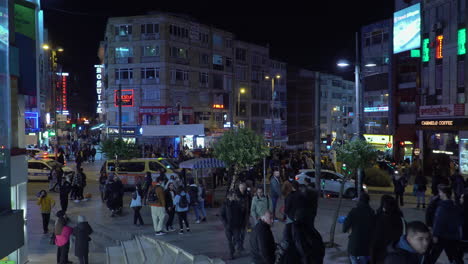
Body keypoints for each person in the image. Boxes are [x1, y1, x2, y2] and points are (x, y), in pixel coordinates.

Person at [429, 185, 464, 264]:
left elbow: (438, 222)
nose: (439, 194)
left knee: (433, 256)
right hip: (452, 236)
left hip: (442, 235)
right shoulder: (454, 205)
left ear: (444, 194)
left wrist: (435, 235)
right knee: (455, 255)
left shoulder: (443, 207)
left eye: (440, 192)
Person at [343, 192, 375, 264]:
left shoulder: (354, 211)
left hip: (354, 247)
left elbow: (345, 228)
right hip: (366, 248)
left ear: (359, 200)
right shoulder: (372, 212)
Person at [370, 197, 404, 264]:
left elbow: (375, 239)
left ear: (385, 208)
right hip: (395, 253)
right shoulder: (400, 219)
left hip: (381, 253)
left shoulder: (380, 218)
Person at [221, 192, 244, 260]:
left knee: (237, 239)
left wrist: (241, 223)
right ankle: (231, 254)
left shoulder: (237, 203)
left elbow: (241, 213)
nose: (234, 197)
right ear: (229, 197)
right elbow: (222, 215)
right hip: (228, 226)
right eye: (233, 196)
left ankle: (233, 250)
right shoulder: (225, 204)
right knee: (229, 241)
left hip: (236, 226)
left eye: (235, 196)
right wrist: (225, 224)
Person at [236, 182, 251, 251]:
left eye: (243, 188)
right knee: (237, 233)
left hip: (245, 217)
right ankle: (238, 245)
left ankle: (241, 245)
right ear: (239, 188)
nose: (242, 189)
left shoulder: (247, 195)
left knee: (243, 233)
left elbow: (250, 203)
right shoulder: (236, 195)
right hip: (237, 217)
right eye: (241, 188)